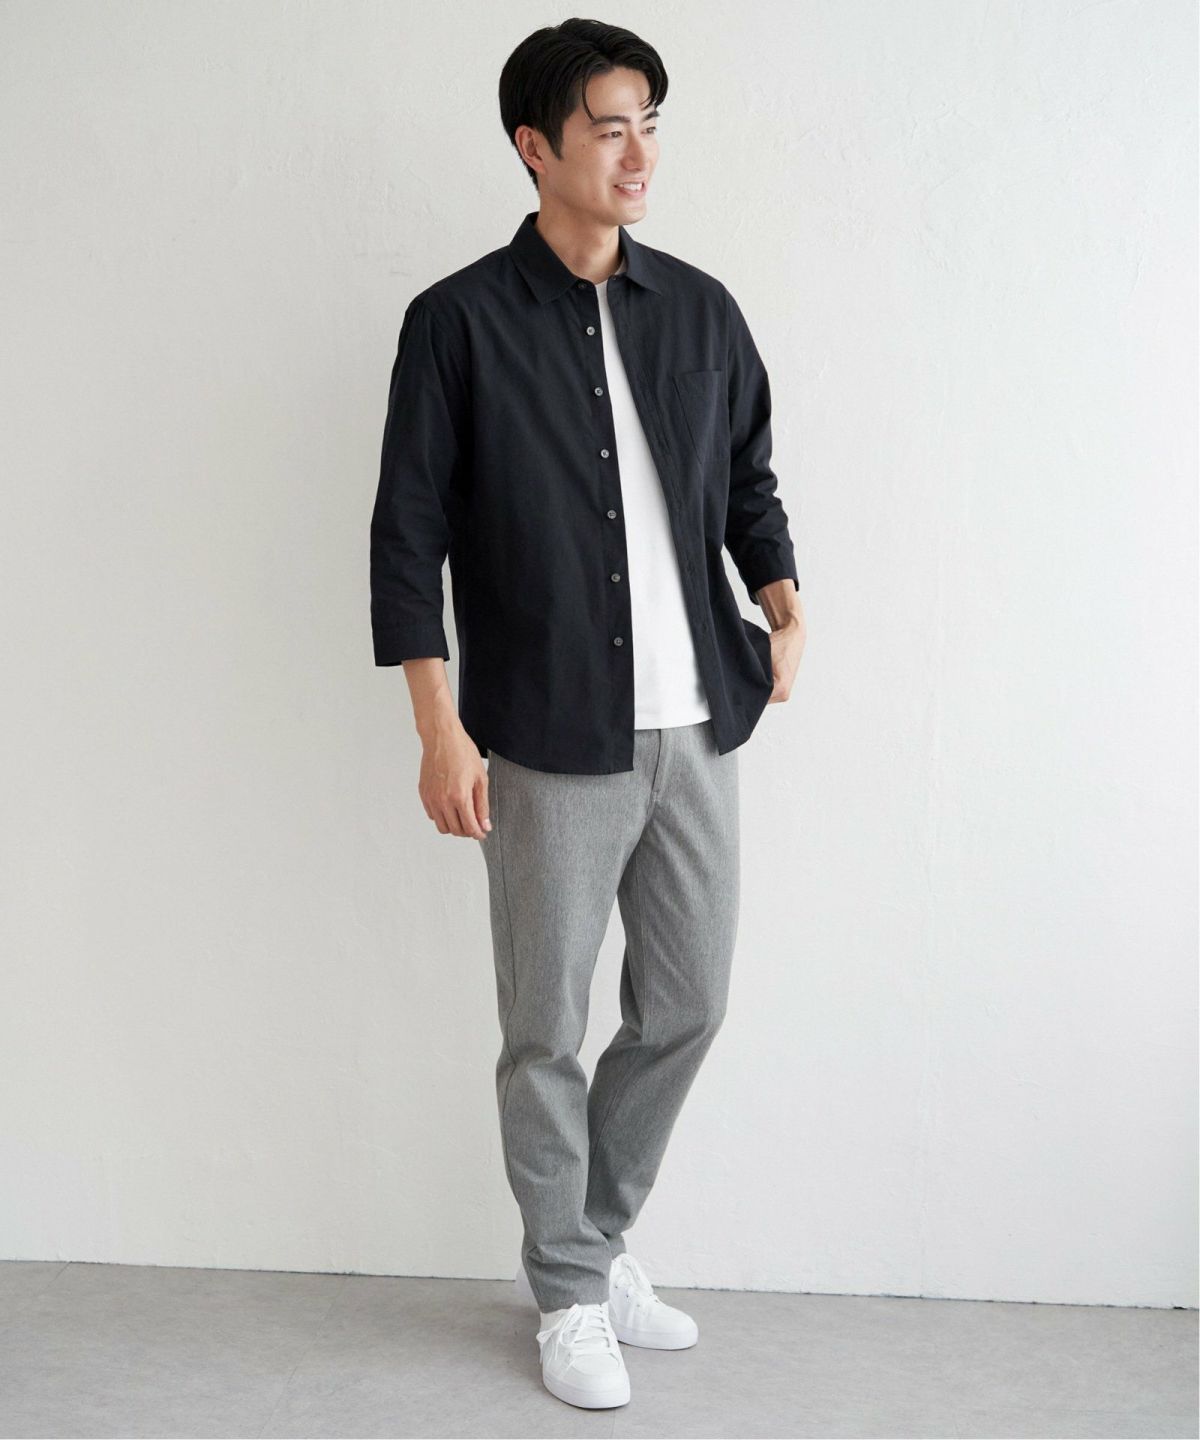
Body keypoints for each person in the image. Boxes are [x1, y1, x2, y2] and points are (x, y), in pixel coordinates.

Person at [369, 16, 806, 1411]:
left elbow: (750, 478)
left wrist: (784, 599)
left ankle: (591, 1243)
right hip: (549, 730)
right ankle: (566, 1291)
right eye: (610, 127)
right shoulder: (456, 323)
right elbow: (406, 536)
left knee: (688, 1003)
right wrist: (437, 725)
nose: (639, 154)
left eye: (651, 124)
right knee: (544, 1030)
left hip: (700, 723)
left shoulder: (703, 310)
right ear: (535, 146)